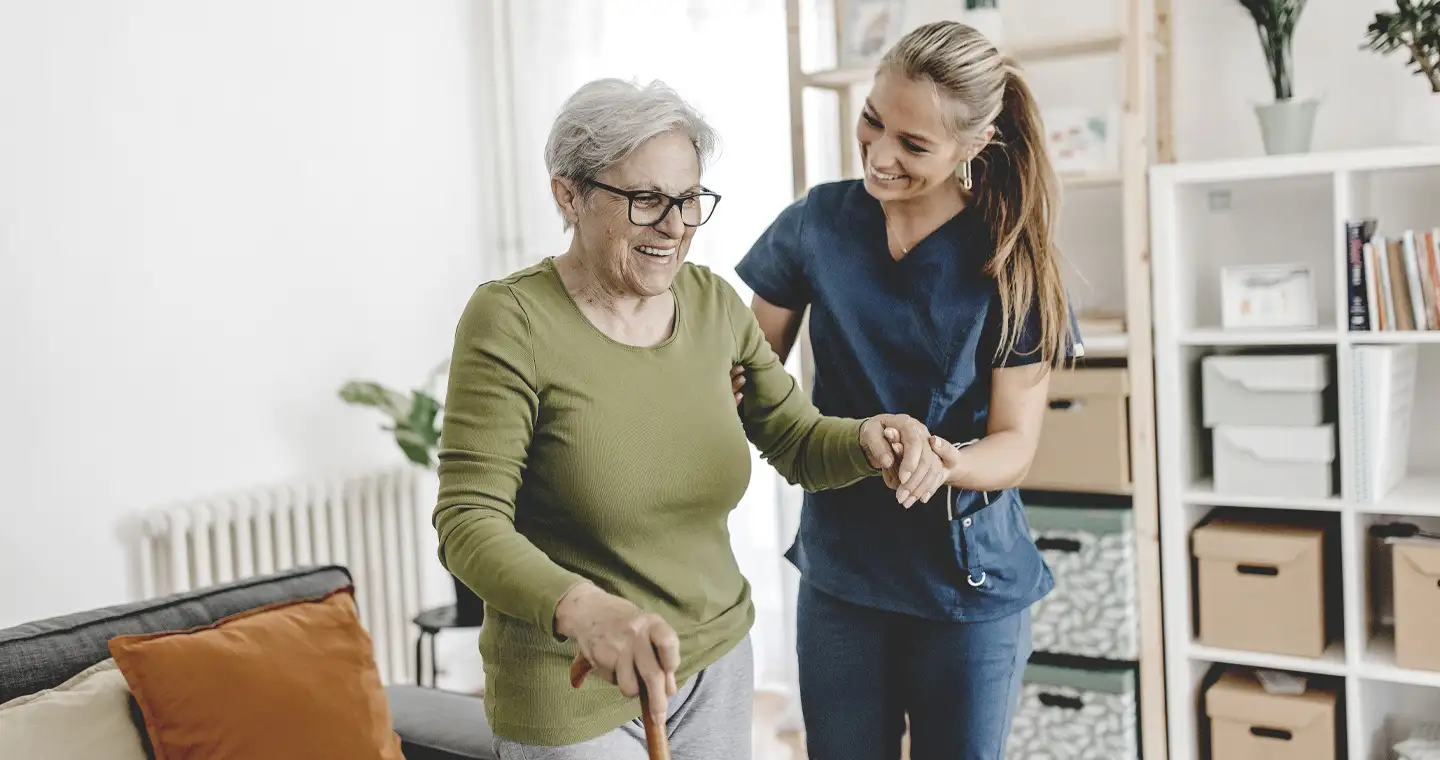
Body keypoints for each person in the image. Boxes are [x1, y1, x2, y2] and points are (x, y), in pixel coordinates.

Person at [432, 77, 951, 760]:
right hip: (576, 677)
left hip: (716, 662)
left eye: (687, 200)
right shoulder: (511, 320)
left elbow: (796, 439)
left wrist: (869, 437)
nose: (675, 226)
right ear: (569, 195)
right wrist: (585, 611)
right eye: (646, 200)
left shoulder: (712, 304)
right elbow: (468, 522)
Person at [732, 20, 1083, 760]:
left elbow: (1016, 445)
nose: (880, 154)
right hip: (842, 575)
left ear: (973, 146)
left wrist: (945, 461)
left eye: (914, 145)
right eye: (872, 121)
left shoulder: (1011, 261)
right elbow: (748, 371)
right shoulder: (816, 226)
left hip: (967, 586)